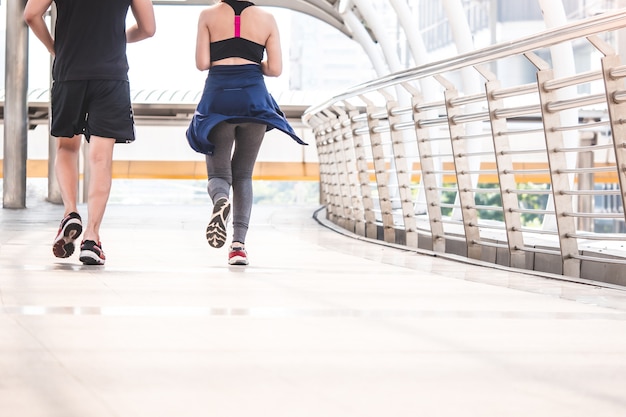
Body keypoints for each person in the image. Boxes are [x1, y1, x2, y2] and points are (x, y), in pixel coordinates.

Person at [24, 0, 156, 266]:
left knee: (67, 147)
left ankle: (70, 211)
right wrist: (118, 39)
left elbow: (31, 15)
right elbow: (148, 28)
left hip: (70, 71)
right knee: (100, 158)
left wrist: (56, 49)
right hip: (111, 75)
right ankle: (92, 239)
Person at [187, 0, 307, 266]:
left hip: (218, 96)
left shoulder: (207, 15)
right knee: (243, 175)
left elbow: (202, 63)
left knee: (219, 174)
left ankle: (221, 199)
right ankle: (238, 247)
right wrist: (253, 65)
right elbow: (275, 69)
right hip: (253, 95)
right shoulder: (266, 18)